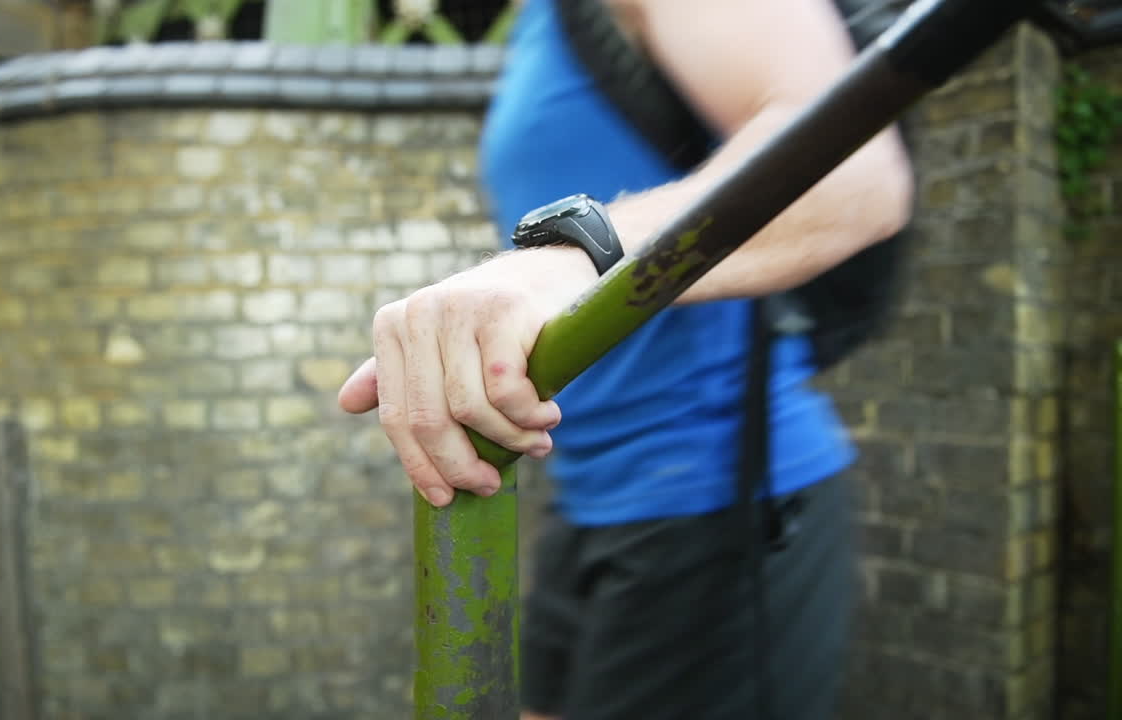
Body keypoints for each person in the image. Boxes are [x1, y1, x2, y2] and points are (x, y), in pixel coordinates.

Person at [339, 0, 915, 718]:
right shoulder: (540, 22)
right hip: (590, 499)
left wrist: (579, 254)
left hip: (720, 508)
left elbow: (855, 174)